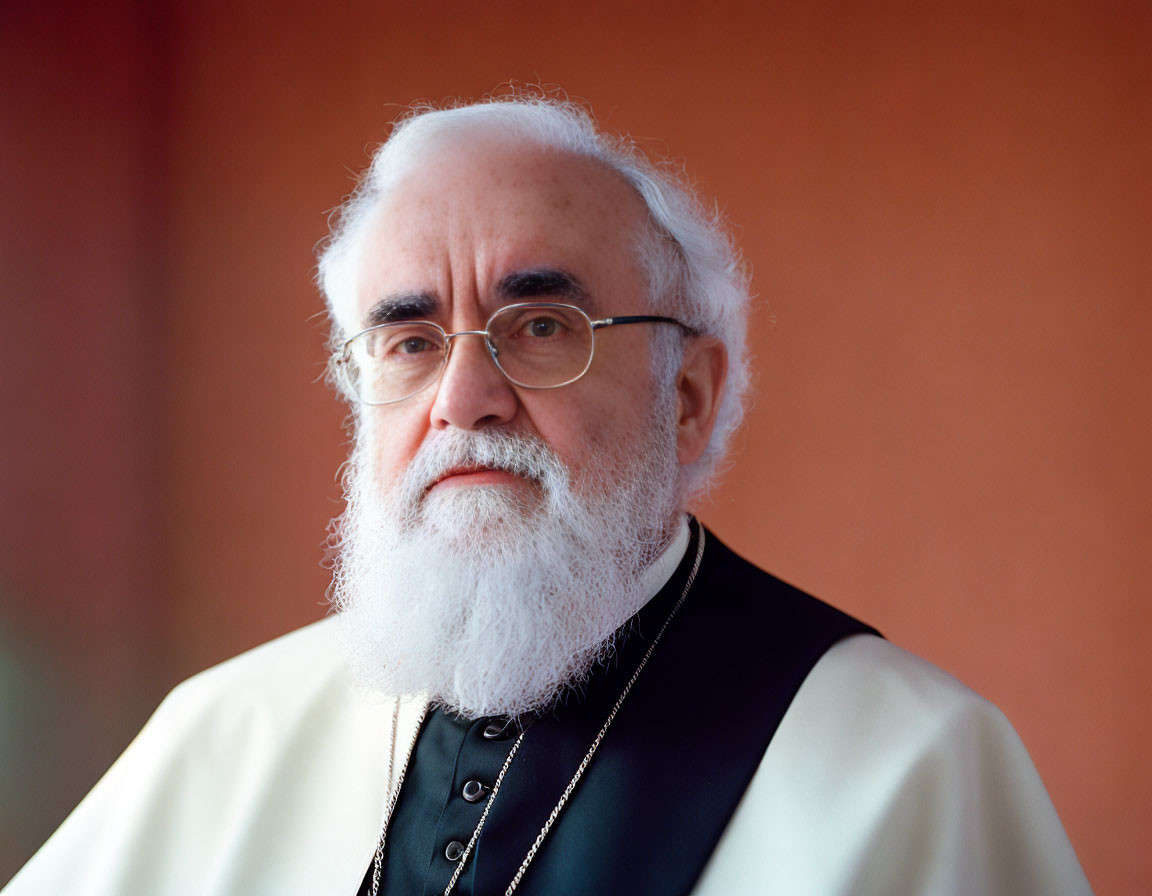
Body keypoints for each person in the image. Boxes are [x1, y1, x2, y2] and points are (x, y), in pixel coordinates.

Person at [4, 95, 1092, 896]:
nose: (464, 398)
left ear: (690, 397)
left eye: (541, 328)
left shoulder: (905, 764)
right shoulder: (228, 732)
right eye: (410, 340)